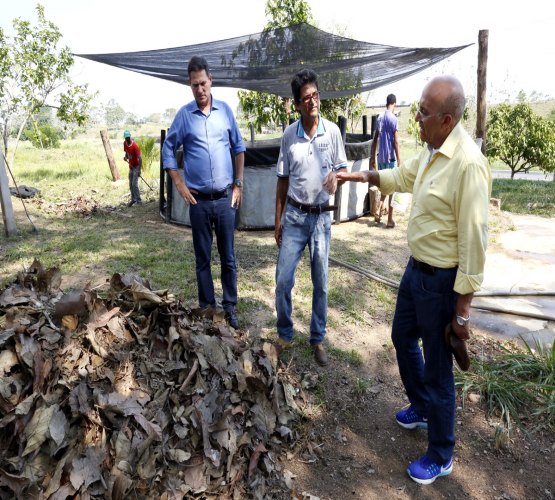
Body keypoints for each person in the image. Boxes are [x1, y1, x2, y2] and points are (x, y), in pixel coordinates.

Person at [337, 76, 491, 484]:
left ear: (446, 118)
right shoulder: (431, 151)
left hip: (442, 283)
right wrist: (355, 177)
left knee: (440, 371)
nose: (415, 118)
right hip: (415, 271)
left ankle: (442, 454)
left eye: (423, 112)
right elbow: (399, 177)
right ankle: (422, 408)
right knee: (402, 336)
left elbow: (475, 242)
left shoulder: (468, 164)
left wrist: (462, 313)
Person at [162, 56, 246, 329]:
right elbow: (168, 149)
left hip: (224, 199)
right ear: (190, 85)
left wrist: (238, 183)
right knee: (202, 257)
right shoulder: (184, 116)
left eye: (203, 83)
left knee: (228, 257)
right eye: (195, 85)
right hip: (197, 200)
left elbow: (238, 148)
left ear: (211, 81)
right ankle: (208, 306)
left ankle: (230, 307)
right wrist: (179, 184)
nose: (200, 89)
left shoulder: (225, 112)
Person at [274, 68, 348, 367]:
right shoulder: (289, 136)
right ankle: (284, 333)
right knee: (283, 280)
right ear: (297, 103)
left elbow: (342, 170)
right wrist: (277, 220)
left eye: (315, 95)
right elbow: (281, 180)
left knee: (322, 282)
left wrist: (337, 179)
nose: (313, 101)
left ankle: (317, 338)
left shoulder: (332, 132)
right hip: (294, 217)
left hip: (321, 220)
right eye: (306, 98)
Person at [370, 93, 400, 228]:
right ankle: (389, 219)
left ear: (386, 102)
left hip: (381, 158)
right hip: (391, 158)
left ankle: (378, 212)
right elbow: (396, 142)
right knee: (392, 188)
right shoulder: (394, 119)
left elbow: (375, 138)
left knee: (383, 186)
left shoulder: (380, 118)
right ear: (394, 103)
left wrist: (372, 156)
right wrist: (399, 160)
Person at [123, 130, 142, 206]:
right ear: (124, 138)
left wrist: (139, 170)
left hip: (136, 167)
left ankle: (139, 201)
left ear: (130, 137)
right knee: (130, 184)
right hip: (131, 166)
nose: (127, 139)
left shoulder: (135, 146)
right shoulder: (125, 143)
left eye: (128, 137)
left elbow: (140, 158)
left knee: (134, 184)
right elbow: (127, 152)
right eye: (126, 138)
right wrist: (126, 157)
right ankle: (133, 199)